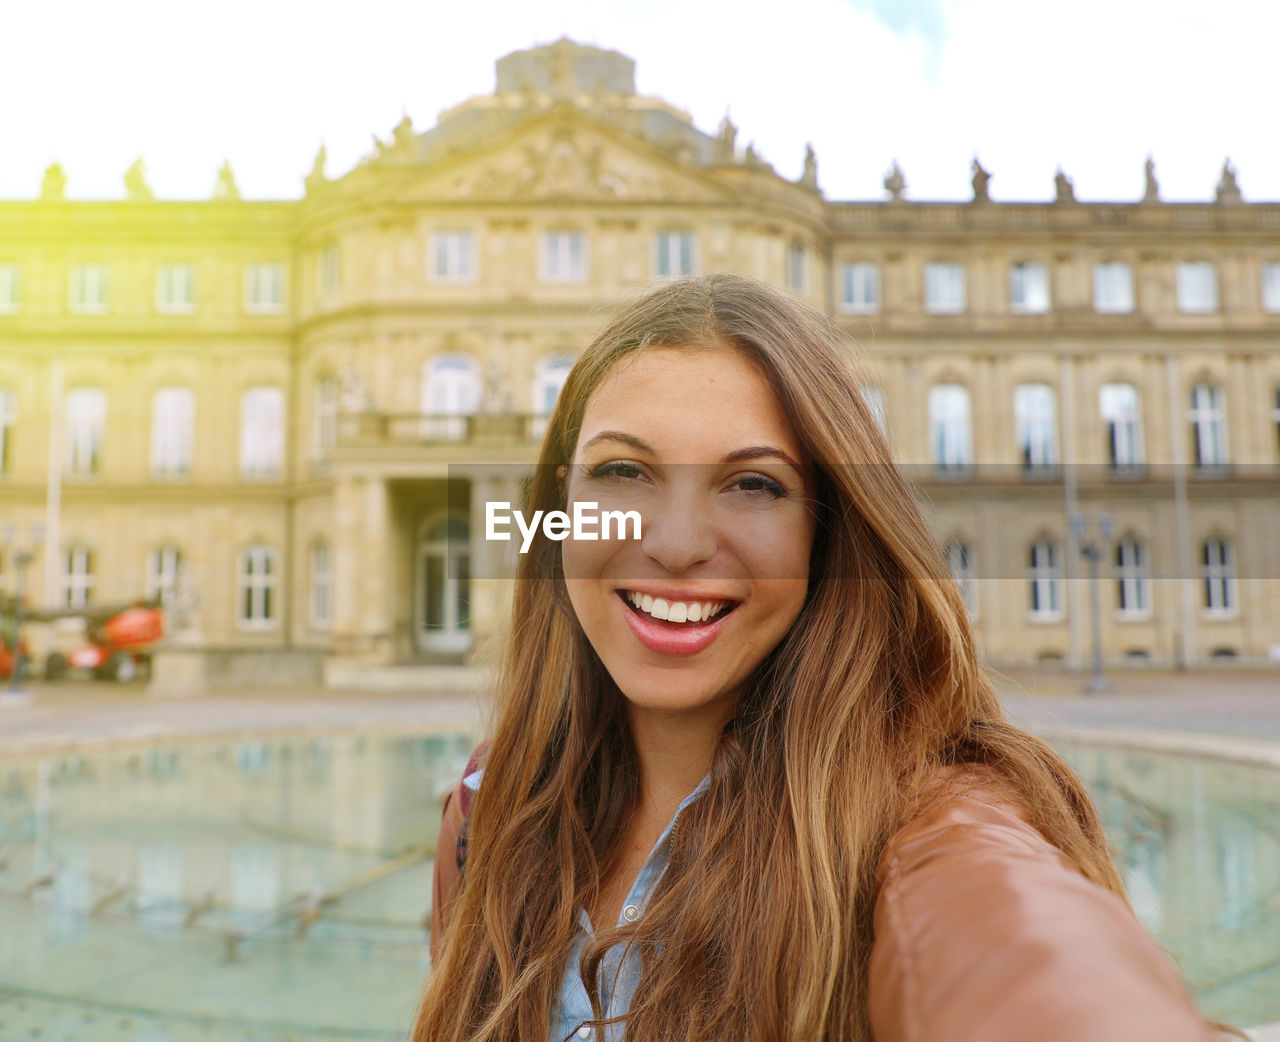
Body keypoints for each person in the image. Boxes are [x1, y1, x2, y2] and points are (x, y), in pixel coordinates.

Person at [414, 274, 1223, 1042]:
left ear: (828, 527)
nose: (676, 544)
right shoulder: (492, 807)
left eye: (753, 485)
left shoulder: (922, 820)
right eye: (624, 471)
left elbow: (1031, 957)